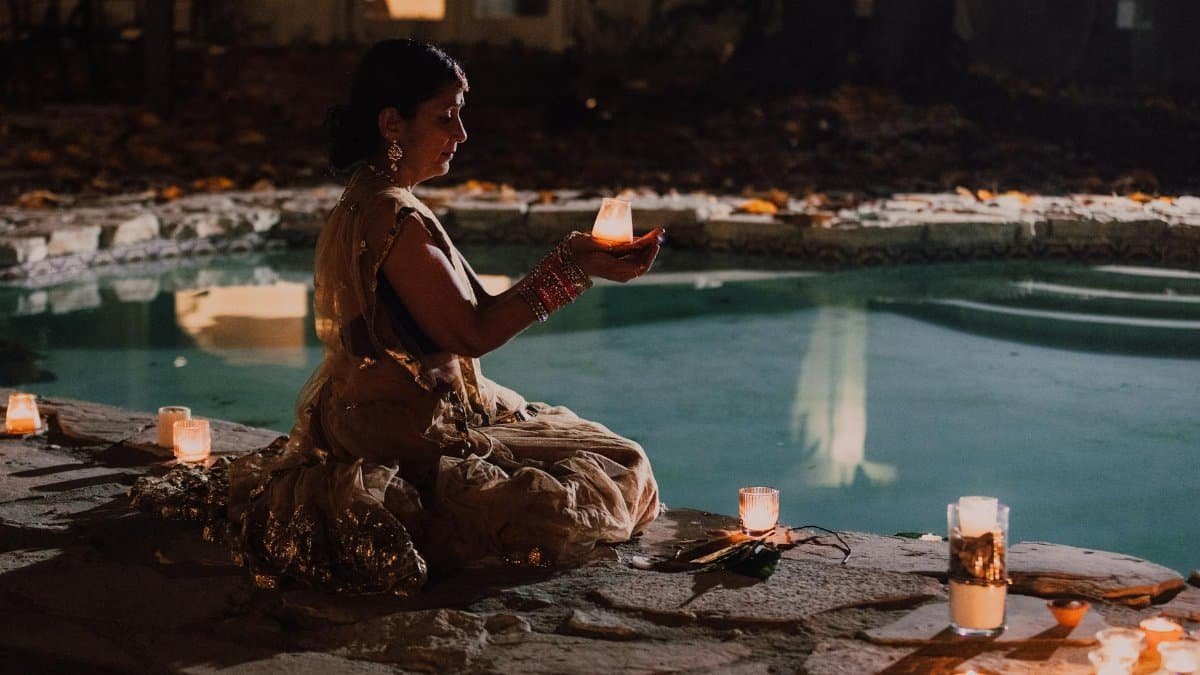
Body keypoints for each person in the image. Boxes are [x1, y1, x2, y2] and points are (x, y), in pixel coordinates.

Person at [135, 39, 664, 596]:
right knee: (617, 469)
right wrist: (572, 273)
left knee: (591, 457)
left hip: (363, 409)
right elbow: (471, 333)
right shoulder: (393, 214)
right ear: (392, 123)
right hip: (403, 428)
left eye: (461, 115)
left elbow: (472, 307)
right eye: (445, 117)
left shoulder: (370, 198)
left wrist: (573, 259)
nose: (460, 134)